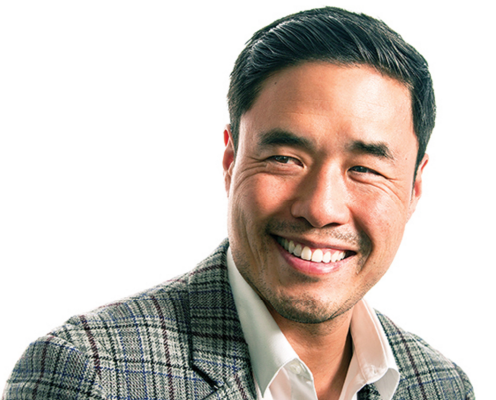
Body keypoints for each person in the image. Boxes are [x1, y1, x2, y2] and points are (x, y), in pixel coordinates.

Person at [2, 6, 473, 400]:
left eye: (365, 170)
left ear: (414, 188)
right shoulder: (89, 375)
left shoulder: (441, 386)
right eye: (286, 159)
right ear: (230, 161)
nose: (321, 207)